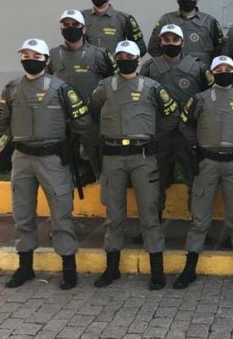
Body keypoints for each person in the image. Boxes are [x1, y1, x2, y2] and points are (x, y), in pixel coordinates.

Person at [0, 38, 92, 290]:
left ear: (47, 60)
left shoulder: (62, 89)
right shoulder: (11, 89)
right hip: (22, 158)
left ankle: (69, 268)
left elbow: (82, 122)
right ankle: (25, 266)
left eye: (36, 56)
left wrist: (64, 138)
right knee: (22, 213)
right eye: (26, 55)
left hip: (52, 159)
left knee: (61, 212)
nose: (30, 60)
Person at [88, 40, 180, 290]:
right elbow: (93, 110)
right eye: (120, 56)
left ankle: (157, 270)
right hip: (113, 157)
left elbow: (172, 114)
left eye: (130, 57)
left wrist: (153, 133)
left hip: (143, 157)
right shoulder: (104, 87)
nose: (125, 60)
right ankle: (112, 267)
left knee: (149, 214)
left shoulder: (152, 87)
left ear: (139, 60)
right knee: (114, 215)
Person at [172, 55, 233, 289]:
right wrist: (197, 144)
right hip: (207, 164)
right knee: (200, 219)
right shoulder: (199, 99)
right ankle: (189, 268)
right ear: (212, 74)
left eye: (228, 69)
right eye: (219, 69)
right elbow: (184, 124)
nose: (224, 72)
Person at [139, 24, 211, 230]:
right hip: (160, 134)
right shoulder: (150, 67)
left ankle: (198, 227)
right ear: (160, 42)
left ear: (182, 42)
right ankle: (153, 225)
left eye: (174, 39)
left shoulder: (197, 67)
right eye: (166, 40)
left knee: (194, 180)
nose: (170, 43)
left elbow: (208, 97)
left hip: (189, 134)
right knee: (155, 181)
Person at [48, 9, 116, 182]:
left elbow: (113, 81)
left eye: (75, 24)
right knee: (66, 157)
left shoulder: (100, 54)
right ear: (61, 28)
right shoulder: (53, 55)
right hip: (63, 118)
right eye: (66, 25)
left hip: (92, 117)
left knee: (96, 155)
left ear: (84, 29)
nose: (70, 28)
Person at [146, 0, 225, 68]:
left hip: (202, 71)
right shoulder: (166, 20)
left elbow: (220, 50)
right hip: (174, 73)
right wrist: (168, 64)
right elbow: (153, 48)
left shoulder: (209, 21)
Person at [81, 0, 146, 55]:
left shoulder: (123, 18)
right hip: (88, 62)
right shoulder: (81, 17)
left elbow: (140, 48)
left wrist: (127, 60)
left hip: (114, 62)